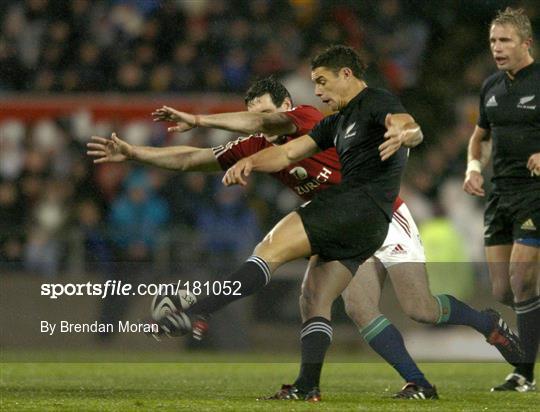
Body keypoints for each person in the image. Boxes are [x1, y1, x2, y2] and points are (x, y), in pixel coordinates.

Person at [89, 74, 518, 400]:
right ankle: (408, 384)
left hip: (382, 214)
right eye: (252, 114)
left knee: (420, 308)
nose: (258, 122)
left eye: (263, 112)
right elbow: (190, 159)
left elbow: (265, 122)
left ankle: (487, 323)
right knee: (346, 304)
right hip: (332, 221)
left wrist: (201, 118)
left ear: (286, 106)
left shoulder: (308, 118)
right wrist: (133, 153)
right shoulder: (255, 145)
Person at [463, 7, 539, 392]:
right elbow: (480, 136)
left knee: (523, 279)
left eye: (505, 40)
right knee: (503, 291)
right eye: (493, 40)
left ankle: (523, 372)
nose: (497, 47)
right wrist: (473, 168)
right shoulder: (491, 86)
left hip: (535, 194)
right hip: (499, 196)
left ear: (526, 43)